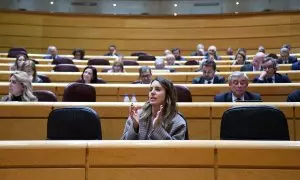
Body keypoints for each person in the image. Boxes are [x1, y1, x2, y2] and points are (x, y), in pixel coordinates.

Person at [121, 77, 187, 140]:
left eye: (157, 89)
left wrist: (157, 128)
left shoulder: (178, 122)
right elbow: (123, 145)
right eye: (150, 89)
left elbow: (174, 150)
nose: (152, 92)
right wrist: (135, 126)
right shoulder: (137, 115)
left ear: (167, 95)